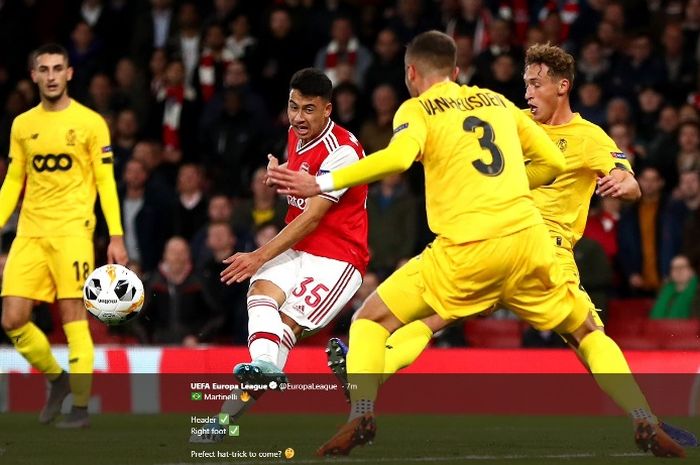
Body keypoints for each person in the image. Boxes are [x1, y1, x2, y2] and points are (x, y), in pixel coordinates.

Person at [268, 32, 686, 458]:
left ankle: (363, 400)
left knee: (377, 318)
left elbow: (630, 180)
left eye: (536, 83)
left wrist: (320, 180)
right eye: (525, 84)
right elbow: (553, 164)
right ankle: (643, 418)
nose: (527, 92)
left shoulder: (586, 135)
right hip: (529, 249)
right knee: (583, 332)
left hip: (488, 246)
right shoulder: (502, 108)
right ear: (455, 72)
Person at [190, 68, 368, 443]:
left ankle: (222, 422)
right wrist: (281, 174)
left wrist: (257, 255)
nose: (298, 117)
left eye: (308, 109)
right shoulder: (295, 134)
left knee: (284, 326)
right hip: (299, 249)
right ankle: (264, 367)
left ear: (327, 110)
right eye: (292, 107)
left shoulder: (344, 152)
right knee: (260, 295)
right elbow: (303, 179)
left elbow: (313, 216)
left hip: (336, 259)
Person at [0, 43, 128, 428]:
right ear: (34, 75)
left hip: (73, 231)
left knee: (73, 316)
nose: (52, 75)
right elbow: (13, 181)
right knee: (12, 319)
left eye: (59, 68)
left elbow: (106, 182)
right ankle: (57, 381)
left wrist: (116, 236)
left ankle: (81, 407)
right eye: (45, 69)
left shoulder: (90, 123)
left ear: (70, 73)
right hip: (30, 232)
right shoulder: (23, 124)